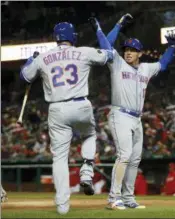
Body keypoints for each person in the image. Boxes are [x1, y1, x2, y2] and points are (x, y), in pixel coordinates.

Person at [20, 21, 113, 214]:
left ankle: (62, 205)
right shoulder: (84, 51)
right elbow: (109, 54)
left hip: (56, 109)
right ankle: (87, 171)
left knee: (59, 158)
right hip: (80, 105)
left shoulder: (43, 58)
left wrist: (31, 60)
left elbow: (25, 77)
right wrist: (99, 31)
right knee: (89, 135)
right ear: (73, 36)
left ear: (56, 38)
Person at [89, 14, 175, 209]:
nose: (128, 52)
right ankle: (113, 198)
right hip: (119, 114)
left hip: (137, 119)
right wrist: (116, 26)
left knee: (134, 159)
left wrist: (171, 47)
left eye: (133, 50)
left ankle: (128, 198)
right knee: (124, 155)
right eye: (127, 49)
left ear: (140, 53)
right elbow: (105, 45)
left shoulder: (146, 68)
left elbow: (163, 64)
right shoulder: (117, 64)